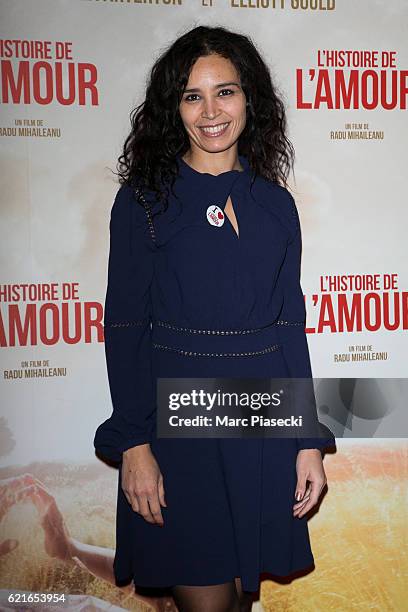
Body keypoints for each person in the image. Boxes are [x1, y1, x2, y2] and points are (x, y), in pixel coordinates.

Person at [94, 25, 336, 612]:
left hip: (259, 420)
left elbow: (288, 326)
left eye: (225, 92)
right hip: (178, 430)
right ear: (171, 107)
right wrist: (135, 444)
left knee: (236, 601)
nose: (210, 111)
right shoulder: (143, 200)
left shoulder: (275, 205)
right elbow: (126, 328)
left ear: (249, 99)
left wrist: (306, 442)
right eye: (192, 95)